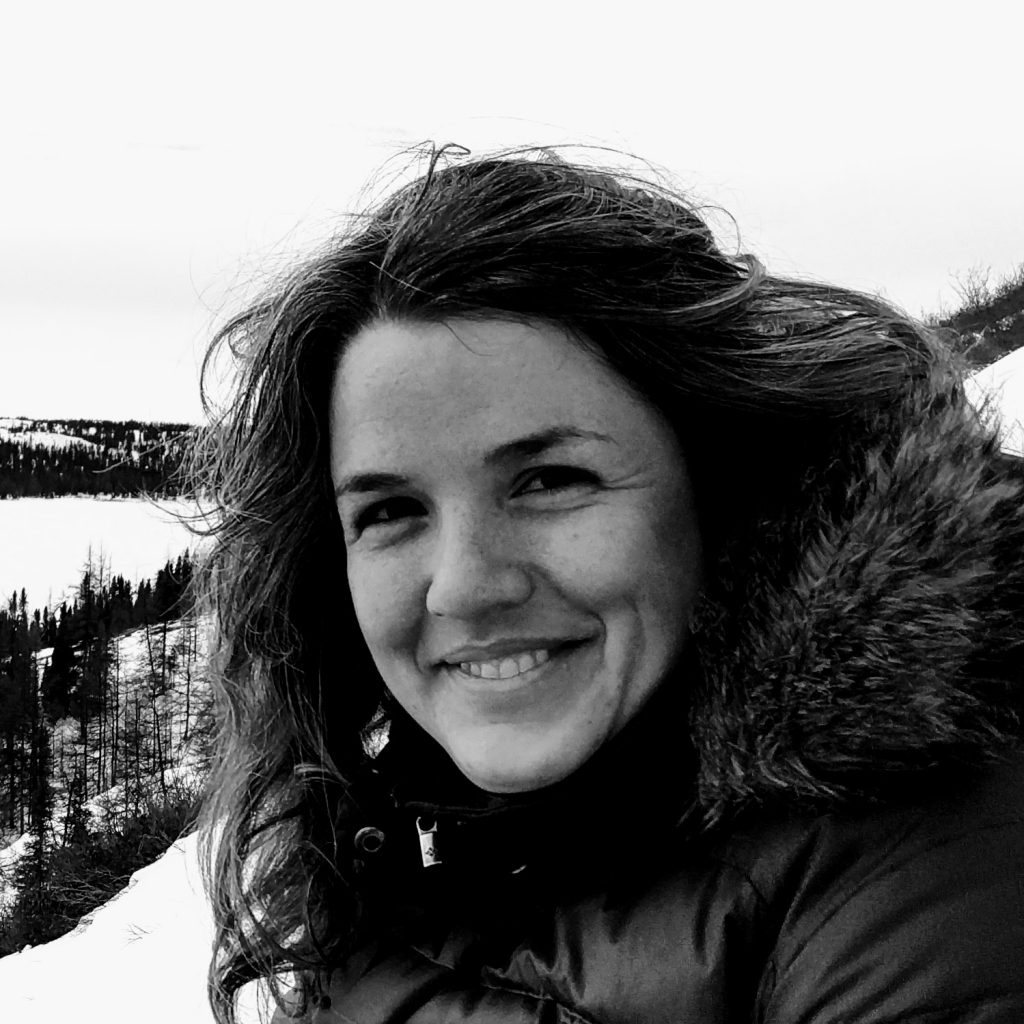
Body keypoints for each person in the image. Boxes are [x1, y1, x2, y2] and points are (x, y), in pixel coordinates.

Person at [194, 147, 1024, 1024]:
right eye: (392, 510)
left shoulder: (929, 872)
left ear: (722, 483)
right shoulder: (409, 854)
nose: (465, 588)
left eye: (550, 480)